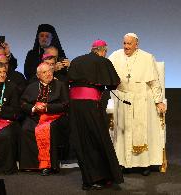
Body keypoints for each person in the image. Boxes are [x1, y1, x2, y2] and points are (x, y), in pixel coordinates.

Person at [68, 40, 123, 190]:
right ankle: (102, 176)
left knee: (81, 140)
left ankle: (87, 180)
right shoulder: (102, 61)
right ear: (103, 50)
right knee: (98, 139)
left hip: (74, 106)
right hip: (91, 105)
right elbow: (114, 83)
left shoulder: (77, 60)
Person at [109, 33, 166, 176]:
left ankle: (144, 164)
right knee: (124, 133)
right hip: (123, 99)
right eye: (124, 43)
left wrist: (158, 101)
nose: (126, 46)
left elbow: (154, 82)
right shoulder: (115, 56)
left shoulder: (147, 57)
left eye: (129, 44)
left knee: (142, 132)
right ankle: (123, 163)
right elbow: (105, 71)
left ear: (136, 44)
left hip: (142, 99)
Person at [20, 62, 69, 176]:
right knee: (25, 129)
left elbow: (66, 105)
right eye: (44, 72)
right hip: (35, 116)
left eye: (50, 71)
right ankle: (31, 165)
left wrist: (47, 108)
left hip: (54, 116)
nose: (48, 74)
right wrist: (33, 108)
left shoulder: (60, 85)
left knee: (47, 129)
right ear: (38, 76)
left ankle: (47, 165)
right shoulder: (32, 86)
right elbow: (22, 103)